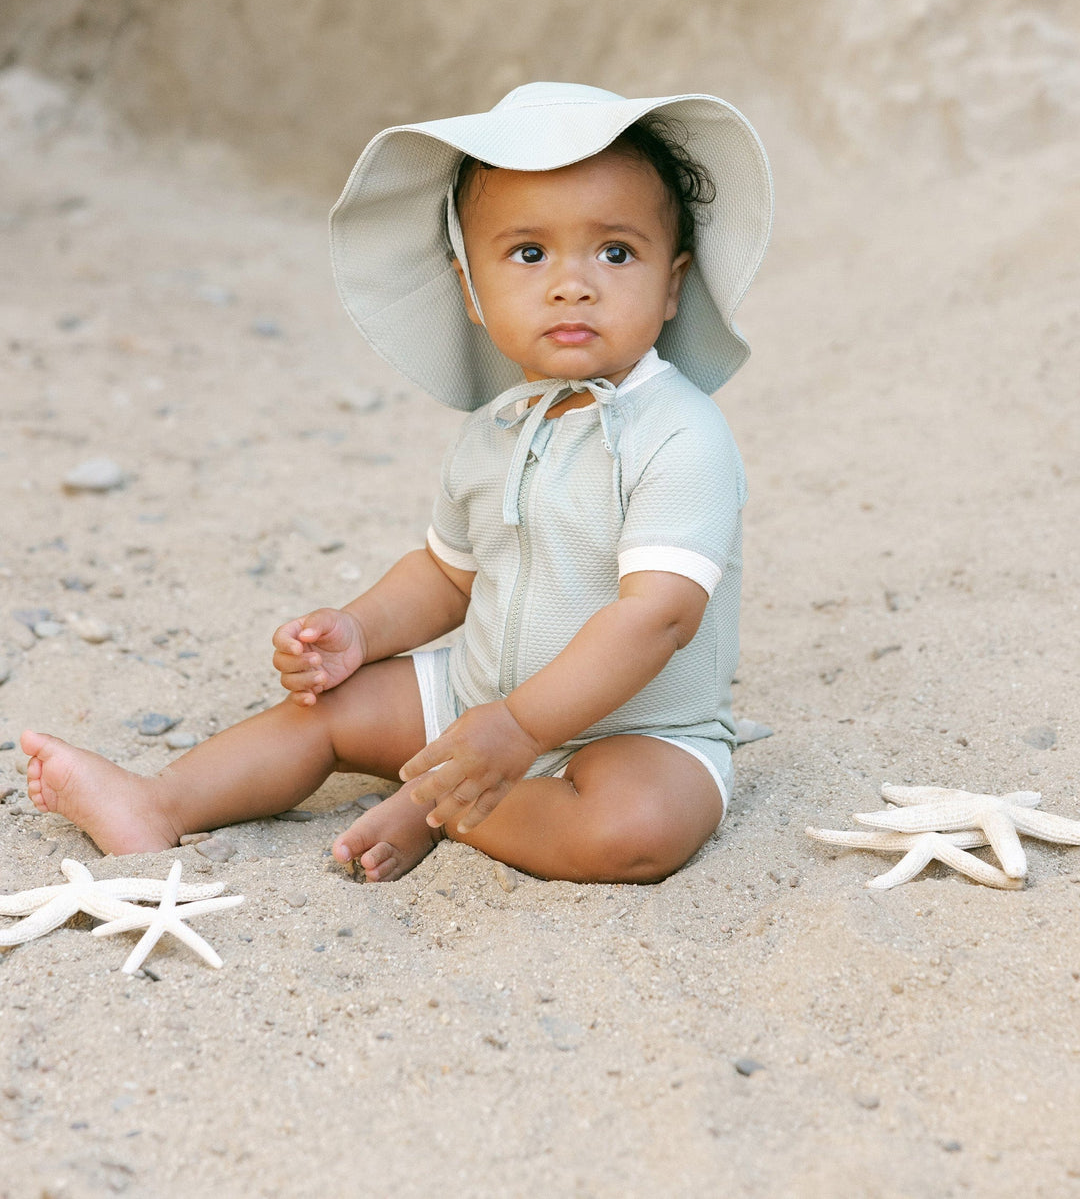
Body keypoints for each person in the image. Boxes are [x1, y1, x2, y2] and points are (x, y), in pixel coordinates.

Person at [21, 82, 773, 884]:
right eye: (529, 253)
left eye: (615, 252)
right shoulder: (497, 430)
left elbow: (657, 618)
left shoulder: (680, 432)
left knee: (638, 830)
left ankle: (444, 804)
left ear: (672, 283)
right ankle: (159, 802)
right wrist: (358, 631)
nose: (572, 283)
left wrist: (518, 730)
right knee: (328, 714)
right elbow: (447, 575)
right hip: (478, 698)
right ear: (470, 291)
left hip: (639, 729)